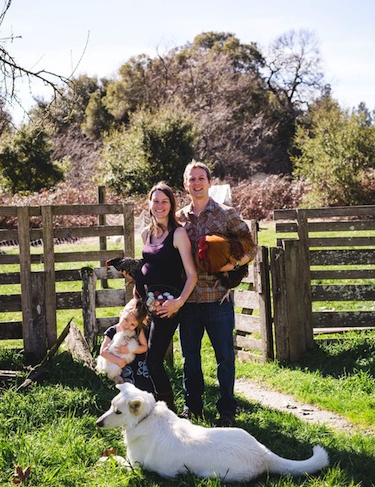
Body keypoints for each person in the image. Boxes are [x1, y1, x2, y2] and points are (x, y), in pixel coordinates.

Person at [177, 160, 256, 426]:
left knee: (224, 357)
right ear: (185, 184)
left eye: (201, 178)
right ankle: (193, 407)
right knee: (190, 358)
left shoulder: (226, 214)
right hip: (189, 299)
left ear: (210, 182)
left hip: (217, 298)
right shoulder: (178, 218)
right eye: (192, 179)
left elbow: (251, 247)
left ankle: (227, 410)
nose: (197, 183)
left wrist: (232, 265)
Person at [134, 182, 197, 412]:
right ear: (149, 204)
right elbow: (148, 265)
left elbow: (192, 275)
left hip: (168, 306)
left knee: (153, 361)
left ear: (171, 205)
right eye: (156, 201)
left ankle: (167, 412)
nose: (159, 205)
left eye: (164, 201)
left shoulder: (178, 234)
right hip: (149, 305)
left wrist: (177, 303)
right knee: (146, 358)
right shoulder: (146, 233)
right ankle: (153, 407)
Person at [97, 298, 152, 390]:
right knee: (122, 377)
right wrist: (118, 360)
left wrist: (129, 350)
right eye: (126, 320)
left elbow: (144, 347)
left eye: (132, 324)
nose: (127, 325)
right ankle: (118, 380)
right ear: (121, 314)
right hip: (118, 362)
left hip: (136, 362)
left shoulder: (138, 331)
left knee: (144, 383)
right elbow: (103, 352)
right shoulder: (112, 331)